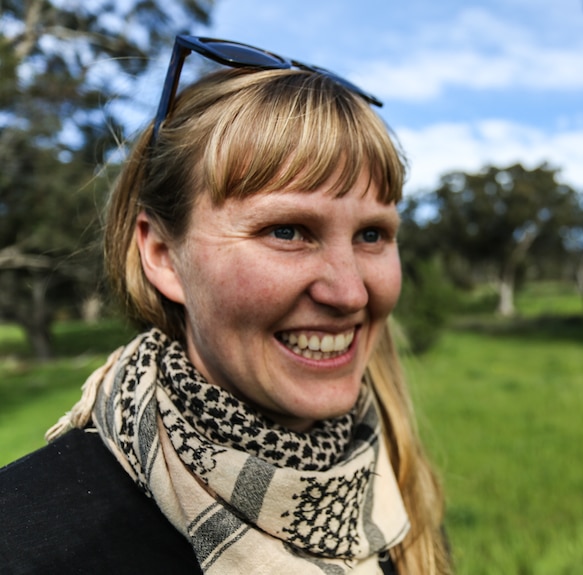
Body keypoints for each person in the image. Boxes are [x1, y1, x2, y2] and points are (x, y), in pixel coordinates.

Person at [0, 35, 451, 575]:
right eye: (288, 230)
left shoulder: (390, 496)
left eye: (373, 234)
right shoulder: (30, 543)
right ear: (164, 256)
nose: (351, 293)